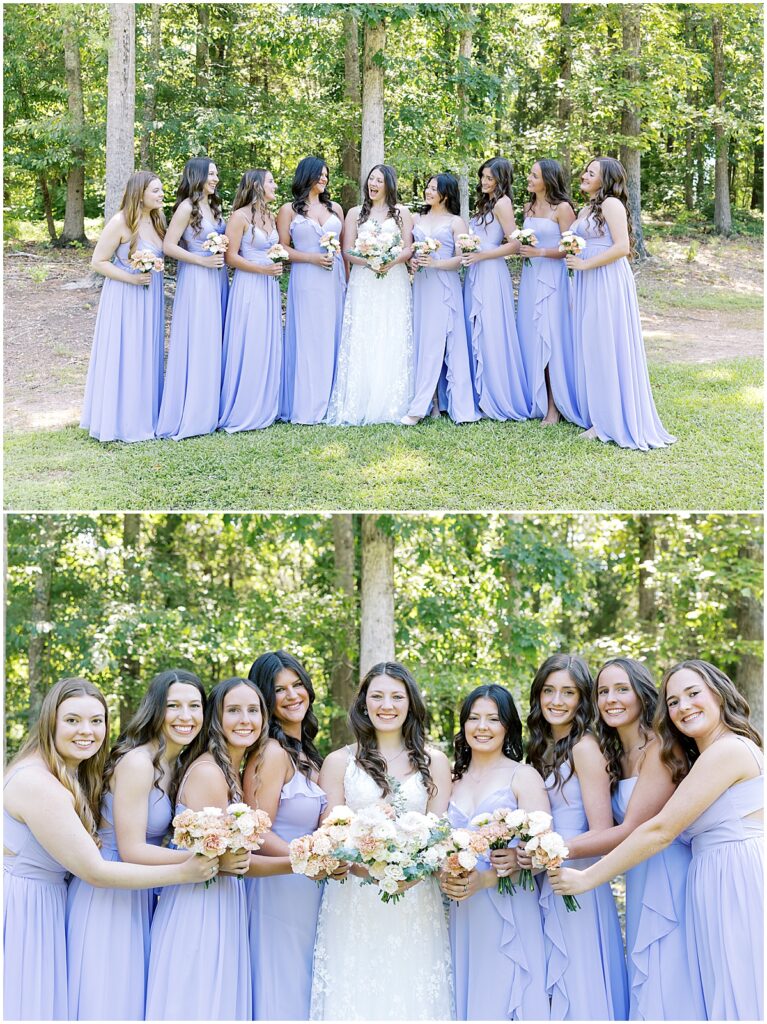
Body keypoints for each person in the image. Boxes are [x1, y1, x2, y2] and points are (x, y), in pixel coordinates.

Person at [548, 660, 763, 1021]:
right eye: (675, 700)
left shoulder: (725, 750)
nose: (684, 706)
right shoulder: (638, 753)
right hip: (703, 876)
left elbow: (659, 828)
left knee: (733, 986)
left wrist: (585, 875)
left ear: (719, 694)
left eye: (693, 694)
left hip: (732, 878)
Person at [3, 678, 216, 1022]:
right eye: (72, 720)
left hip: (65, 899)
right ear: (50, 721)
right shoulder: (37, 782)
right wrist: (190, 868)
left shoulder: (72, 773)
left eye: (96, 721)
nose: (86, 730)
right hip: (30, 906)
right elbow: (96, 870)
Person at [560, 658, 705, 1019]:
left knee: (669, 977)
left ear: (641, 693)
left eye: (622, 689)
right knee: (647, 977)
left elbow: (632, 830)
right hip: (639, 874)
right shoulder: (614, 753)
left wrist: (553, 849)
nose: (611, 698)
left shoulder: (660, 747)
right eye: (603, 691)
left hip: (669, 873)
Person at [309, 661, 454, 1019]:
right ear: (363, 703)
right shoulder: (338, 762)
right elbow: (331, 835)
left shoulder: (434, 762)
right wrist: (365, 869)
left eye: (396, 696)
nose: (386, 705)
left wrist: (410, 876)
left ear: (410, 703)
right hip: (354, 897)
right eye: (377, 696)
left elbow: (440, 836)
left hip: (416, 895)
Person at [145, 676, 292, 1021]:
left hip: (221, 900)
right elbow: (236, 863)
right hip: (200, 904)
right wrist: (302, 862)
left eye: (253, 710)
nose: (245, 720)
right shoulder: (210, 772)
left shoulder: (231, 771)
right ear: (216, 718)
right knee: (199, 1001)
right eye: (234, 711)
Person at [66, 669, 208, 1020]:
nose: (185, 716)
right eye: (173, 705)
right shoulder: (138, 763)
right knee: (107, 999)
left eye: (194, 705)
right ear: (156, 710)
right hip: (109, 888)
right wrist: (207, 857)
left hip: (142, 887)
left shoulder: (176, 763)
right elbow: (132, 849)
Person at [525, 654, 629, 1019]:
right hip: (543, 875)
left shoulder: (584, 747)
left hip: (576, 876)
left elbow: (605, 832)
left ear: (582, 699)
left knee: (577, 978)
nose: (556, 701)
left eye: (568, 692)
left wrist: (551, 852)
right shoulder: (540, 749)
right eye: (549, 691)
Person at [440, 684, 550, 1020]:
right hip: (464, 908)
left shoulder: (523, 776)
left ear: (508, 727)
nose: (482, 727)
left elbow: (543, 853)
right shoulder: (450, 780)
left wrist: (495, 874)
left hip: (510, 904)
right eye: (474, 718)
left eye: (493, 719)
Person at [244, 651, 334, 1020]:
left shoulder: (309, 754)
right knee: (282, 983)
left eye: (297, 684)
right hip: (278, 886)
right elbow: (256, 830)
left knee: (305, 983)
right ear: (266, 699)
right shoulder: (270, 752)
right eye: (279, 689)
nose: (292, 695)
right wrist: (307, 860)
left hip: (309, 885)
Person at [566, 157, 676, 449]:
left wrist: (586, 265)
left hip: (606, 279)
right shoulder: (586, 208)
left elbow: (622, 247)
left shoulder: (611, 204)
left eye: (592, 173)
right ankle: (599, 414)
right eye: (586, 171)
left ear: (606, 180)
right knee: (592, 344)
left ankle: (610, 420)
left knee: (606, 343)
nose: (585, 175)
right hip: (587, 279)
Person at [326, 165, 415, 425]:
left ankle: (391, 401)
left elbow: (408, 248)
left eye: (379, 180)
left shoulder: (402, 213)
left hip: (394, 278)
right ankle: (362, 399)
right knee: (365, 333)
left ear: (389, 184)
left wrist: (390, 260)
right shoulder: (355, 213)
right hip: (364, 279)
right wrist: (369, 261)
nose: (373, 184)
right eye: (371, 180)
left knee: (392, 332)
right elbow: (347, 251)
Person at [81, 170, 166, 443]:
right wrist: (131, 277)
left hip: (150, 295)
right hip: (124, 296)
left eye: (161, 189)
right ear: (139, 193)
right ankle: (120, 419)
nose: (161, 194)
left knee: (145, 351)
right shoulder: (120, 222)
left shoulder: (157, 221)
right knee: (126, 350)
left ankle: (144, 414)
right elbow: (98, 261)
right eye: (155, 190)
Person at [156, 157, 229, 440]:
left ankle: (211, 407)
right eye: (211, 173)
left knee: (214, 338)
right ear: (197, 175)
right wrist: (200, 260)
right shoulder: (187, 207)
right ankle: (193, 411)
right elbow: (168, 246)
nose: (216, 178)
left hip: (217, 276)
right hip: (197, 278)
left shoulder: (213, 207)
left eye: (216, 173)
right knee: (199, 338)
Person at [401, 173, 479, 426]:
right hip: (423, 286)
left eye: (434, 188)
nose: (428, 191)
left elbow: (461, 260)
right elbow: (411, 252)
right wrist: (414, 262)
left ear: (446, 193)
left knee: (447, 343)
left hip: (445, 285)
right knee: (425, 342)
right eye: (427, 186)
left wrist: (436, 262)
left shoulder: (456, 222)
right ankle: (432, 403)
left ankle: (457, 405)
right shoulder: (416, 219)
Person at [515, 159, 585, 428]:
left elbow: (571, 247)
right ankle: (537, 398)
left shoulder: (563, 208)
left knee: (551, 337)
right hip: (531, 277)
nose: (529, 179)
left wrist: (540, 252)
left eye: (534, 175)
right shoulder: (528, 207)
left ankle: (555, 407)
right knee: (533, 335)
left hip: (553, 279)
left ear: (548, 180)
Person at [278, 157, 346, 423]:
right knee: (308, 335)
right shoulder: (288, 210)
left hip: (332, 278)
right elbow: (282, 248)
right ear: (306, 176)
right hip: (305, 278)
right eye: (319, 174)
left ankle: (332, 400)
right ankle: (307, 403)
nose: (324, 179)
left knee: (332, 332)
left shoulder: (335, 208)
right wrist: (312, 258)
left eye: (326, 175)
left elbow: (343, 246)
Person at [462, 157, 530, 421]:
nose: (484, 182)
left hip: (490, 271)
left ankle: (496, 395)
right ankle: (479, 393)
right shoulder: (486, 203)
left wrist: (481, 255)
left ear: (501, 179)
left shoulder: (503, 203)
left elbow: (515, 245)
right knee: (476, 326)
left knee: (490, 328)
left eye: (490, 178)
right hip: (475, 270)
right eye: (483, 177)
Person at [218, 169, 284, 432]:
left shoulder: (270, 215)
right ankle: (244, 407)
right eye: (271, 181)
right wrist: (263, 269)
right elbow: (230, 258)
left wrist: (275, 263)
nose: (275, 185)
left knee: (267, 340)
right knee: (250, 340)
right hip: (249, 285)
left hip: (269, 286)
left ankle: (265, 404)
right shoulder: (239, 217)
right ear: (257, 185)